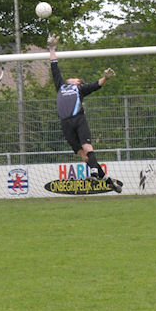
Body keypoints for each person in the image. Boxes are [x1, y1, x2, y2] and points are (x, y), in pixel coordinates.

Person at [47, 34, 123, 193]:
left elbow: (96, 85)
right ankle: (108, 180)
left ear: (78, 83)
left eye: (75, 78)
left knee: (87, 147)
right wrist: (52, 48)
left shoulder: (79, 89)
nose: (72, 78)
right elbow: (54, 66)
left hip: (78, 120)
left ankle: (95, 174)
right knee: (84, 156)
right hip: (65, 124)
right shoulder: (60, 86)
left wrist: (105, 78)